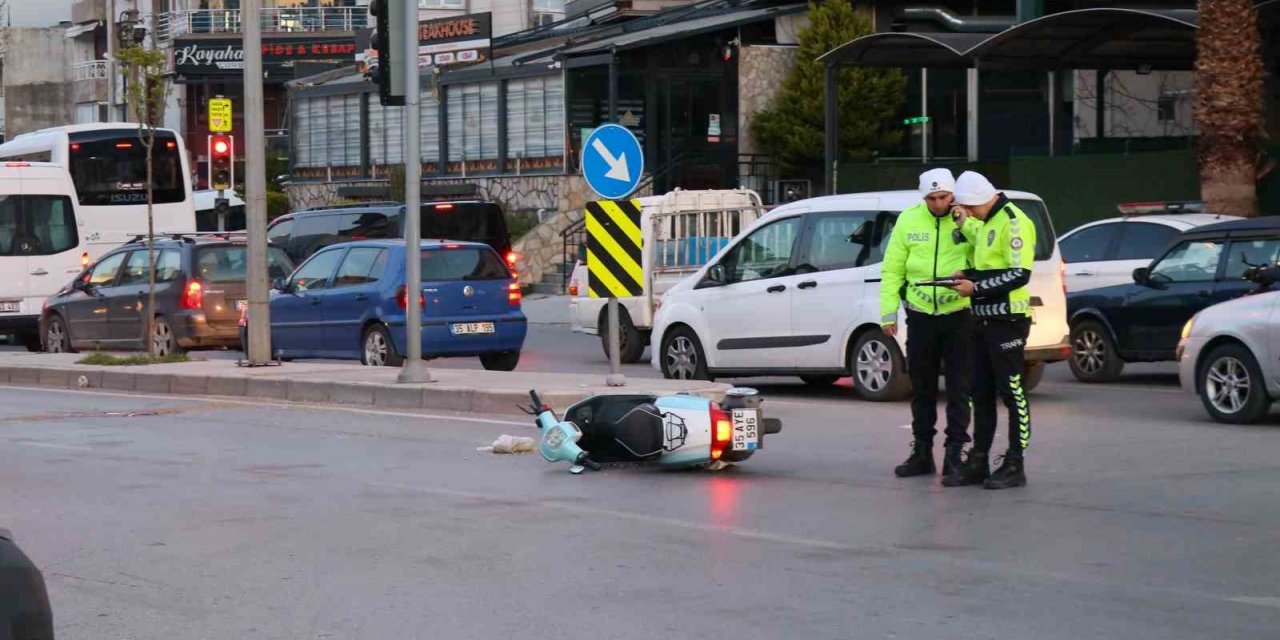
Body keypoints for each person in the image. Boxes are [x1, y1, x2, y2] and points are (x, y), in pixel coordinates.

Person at [941, 171, 1036, 490]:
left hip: (1007, 320)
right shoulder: (985, 224)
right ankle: (979, 459)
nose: (966, 214)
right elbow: (988, 267)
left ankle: (1015, 463)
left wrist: (976, 287)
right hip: (980, 319)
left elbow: (1018, 275)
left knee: (1013, 394)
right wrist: (965, 275)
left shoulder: (1013, 221)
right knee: (980, 393)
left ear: (981, 200)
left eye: (968, 207)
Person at [880, 168, 975, 480]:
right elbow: (893, 268)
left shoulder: (966, 219)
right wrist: (888, 312)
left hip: (959, 314)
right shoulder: (908, 219)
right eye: (932, 198)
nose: (938, 204)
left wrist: (967, 224)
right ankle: (922, 453)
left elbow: (985, 257)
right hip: (920, 314)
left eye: (944, 197)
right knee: (922, 388)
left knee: (960, 388)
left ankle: (955, 453)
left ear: (953, 195)